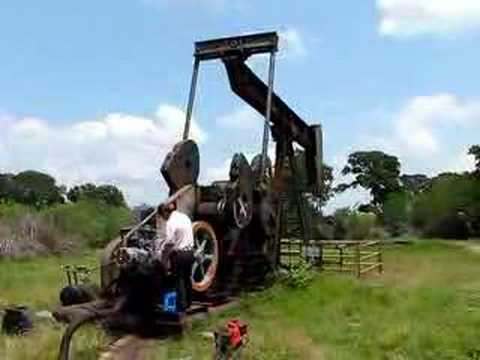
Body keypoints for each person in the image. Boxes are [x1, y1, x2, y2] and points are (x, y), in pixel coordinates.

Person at [158, 202, 195, 311]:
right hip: (190, 253)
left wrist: (163, 254)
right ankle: (188, 303)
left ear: (165, 212)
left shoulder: (171, 222)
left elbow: (170, 242)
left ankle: (180, 307)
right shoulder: (184, 217)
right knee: (187, 278)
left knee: (178, 279)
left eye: (162, 216)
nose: (163, 219)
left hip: (179, 254)